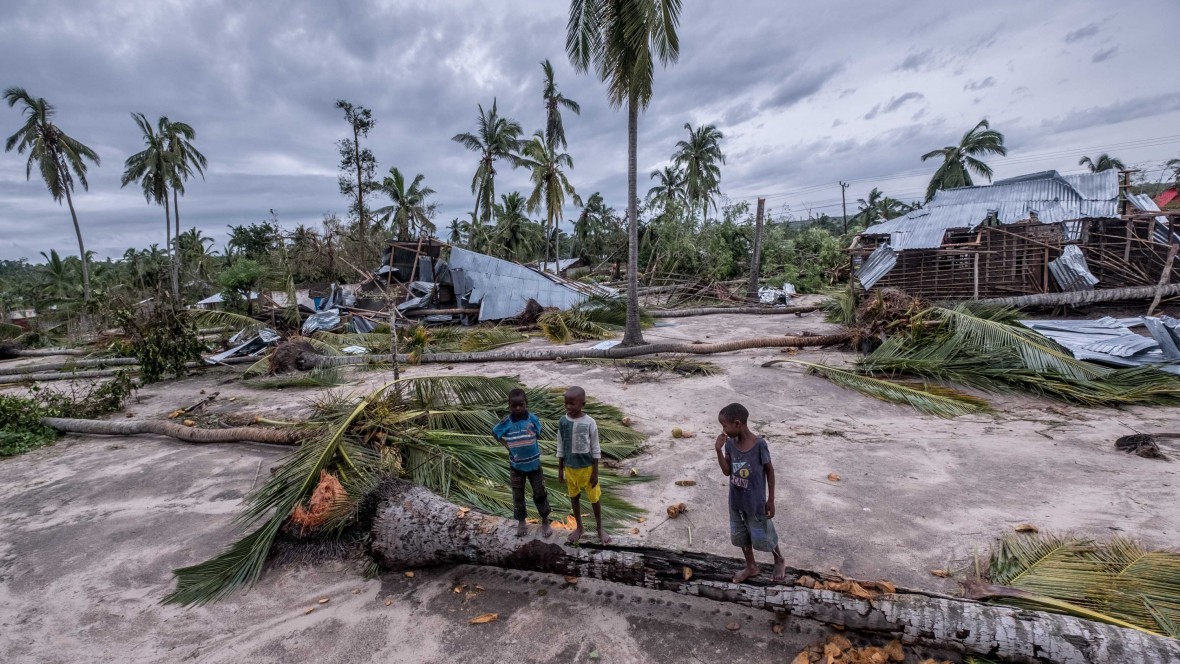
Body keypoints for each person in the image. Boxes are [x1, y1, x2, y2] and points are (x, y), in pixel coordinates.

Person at [714, 402, 787, 583]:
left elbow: (770, 471)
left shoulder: (759, 445)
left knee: (764, 533)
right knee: (742, 535)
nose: (723, 429)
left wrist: (771, 499)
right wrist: (718, 451)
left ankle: (779, 559)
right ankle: (751, 566)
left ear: (737, 424)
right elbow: (727, 471)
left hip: (756, 502)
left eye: (725, 425)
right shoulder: (729, 444)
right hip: (737, 501)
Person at [493, 388, 552, 538]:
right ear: (509, 406)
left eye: (521, 405)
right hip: (516, 466)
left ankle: (545, 519)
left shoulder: (533, 419)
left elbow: (537, 434)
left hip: (534, 465)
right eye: (514, 406)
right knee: (518, 495)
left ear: (526, 404)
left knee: (540, 493)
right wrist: (508, 446)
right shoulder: (506, 422)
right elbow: (495, 432)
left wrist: (527, 444)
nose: (518, 408)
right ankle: (521, 521)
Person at [557, 386, 611, 545]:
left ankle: (599, 528)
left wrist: (596, 472)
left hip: (587, 469)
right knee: (574, 498)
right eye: (566, 403)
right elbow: (560, 445)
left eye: (572, 404)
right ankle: (579, 527)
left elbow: (595, 448)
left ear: (583, 404)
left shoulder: (589, 422)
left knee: (594, 499)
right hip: (569, 468)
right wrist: (560, 469)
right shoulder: (563, 421)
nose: (568, 407)